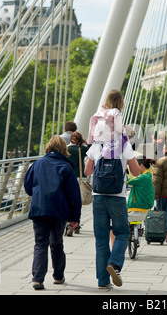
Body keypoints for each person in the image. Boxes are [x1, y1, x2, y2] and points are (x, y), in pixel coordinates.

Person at [84, 89, 140, 289]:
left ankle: (102, 281)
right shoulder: (123, 142)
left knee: (100, 239)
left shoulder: (96, 144)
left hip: (98, 197)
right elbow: (134, 170)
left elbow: (87, 171)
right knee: (122, 233)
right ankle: (114, 263)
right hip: (117, 196)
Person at [23, 135, 82, 290]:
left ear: (48, 147)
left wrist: (37, 193)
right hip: (58, 211)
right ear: (64, 149)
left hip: (39, 209)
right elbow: (74, 195)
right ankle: (58, 276)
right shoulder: (66, 167)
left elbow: (28, 186)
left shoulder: (37, 164)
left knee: (40, 244)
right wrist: (75, 218)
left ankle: (37, 279)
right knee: (56, 244)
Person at [66, 131, 90, 235]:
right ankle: (76, 224)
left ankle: (68, 223)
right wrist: (85, 141)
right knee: (77, 202)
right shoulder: (83, 149)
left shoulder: (66, 149)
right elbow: (92, 149)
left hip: (68, 178)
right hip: (80, 178)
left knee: (68, 201)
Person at [126, 157, 155, 223]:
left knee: (116, 220)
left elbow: (128, 181)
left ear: (141, 165)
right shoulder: (147, 176)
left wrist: (124, 173)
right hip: (143, 208)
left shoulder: (143, 177)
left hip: (139, 210)